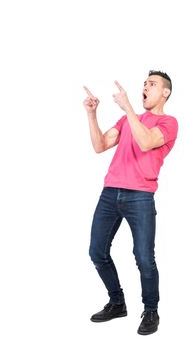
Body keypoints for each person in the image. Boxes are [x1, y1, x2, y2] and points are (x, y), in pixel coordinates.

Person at [83, 70, 178, 335]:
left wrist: (129, 109)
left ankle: (151, 310)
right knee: (97, 252)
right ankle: (117, 303)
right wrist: (92, 114)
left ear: (165, 92)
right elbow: (100, 145)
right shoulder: (127, 119)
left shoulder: (169, 122)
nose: (146, 87)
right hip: (110, 193)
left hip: (140, 196)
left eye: (153, 84)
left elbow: (147, 142)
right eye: (145, 83)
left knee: (144, 258)